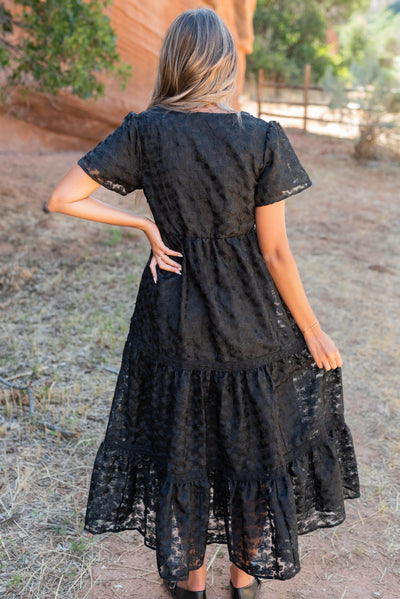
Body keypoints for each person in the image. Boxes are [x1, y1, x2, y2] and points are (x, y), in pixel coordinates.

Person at [46, 8, 360, 599]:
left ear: (174, 62)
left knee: (182, 442)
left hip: (173, 321)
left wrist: (142, 225)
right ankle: (244, 579)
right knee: (254, 443)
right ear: (225, 64)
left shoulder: (144, 131)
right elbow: (276, 255)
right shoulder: (261, 137)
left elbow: (62, 198)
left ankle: (190, 581)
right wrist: (312, 330)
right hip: (249, 323)